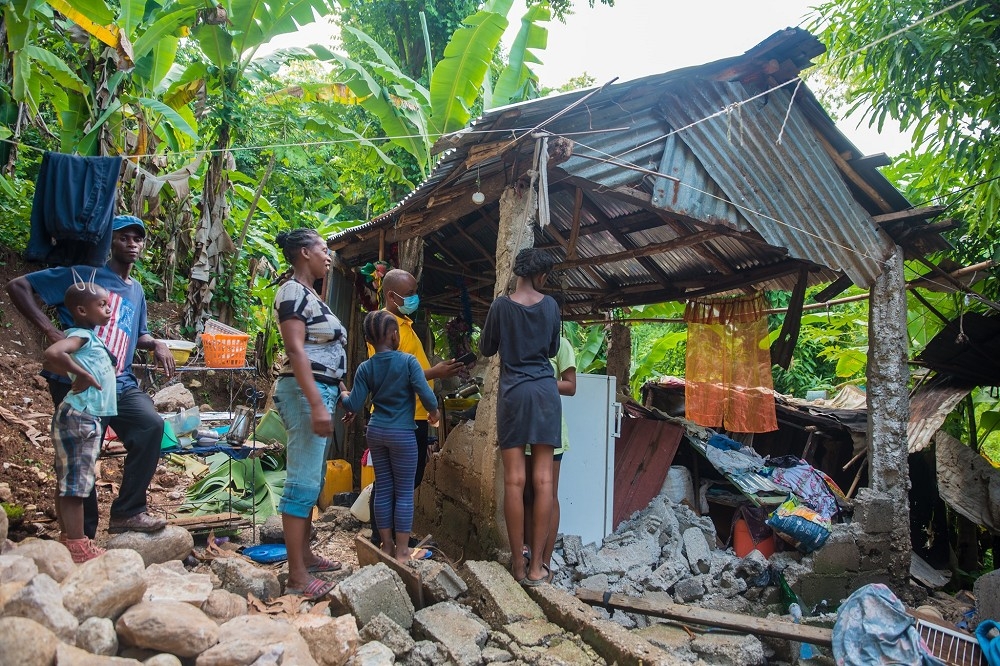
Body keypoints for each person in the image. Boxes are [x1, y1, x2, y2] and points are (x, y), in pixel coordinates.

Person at [7, 215, 174, 535]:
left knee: (150, 426)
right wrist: (53, 333)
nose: (132, 243)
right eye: (123, 237)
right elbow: (19, 286)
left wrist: (157, 342)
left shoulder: (136, 290)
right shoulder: (86, 275)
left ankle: (128, 511)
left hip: (118, 380)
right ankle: (81, 534)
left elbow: (136, 333)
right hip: (76, 380)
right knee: (84, 451)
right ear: (109, 242)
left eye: (137, 239)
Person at [480, 248, 561, 587]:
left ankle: (517, 563)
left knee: (515, 481)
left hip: (513, 395)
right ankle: (538, 567)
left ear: (517, 272)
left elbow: (486, 347)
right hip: (544, 393)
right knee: (543, 481)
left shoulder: (500, 306)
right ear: (541, 276)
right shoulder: (551, 306)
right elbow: (553, 349)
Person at [272, 228, 346, 600]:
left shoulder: (312, 296)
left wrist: (339, 391)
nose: (327, 255)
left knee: (312, 479)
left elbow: (324, 352)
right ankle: (297, 576)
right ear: (304, 252)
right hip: (304, 393)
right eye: (323, 248)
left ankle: (305, 557)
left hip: (319, 391)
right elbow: (296, 350)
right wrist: (317, 401)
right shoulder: (291, 292)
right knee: (301, 481)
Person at [366, 268, 463, 547]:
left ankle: (395, 535)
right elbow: (391, 373)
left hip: (416, 414)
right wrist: (435, 373)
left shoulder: (402, 324)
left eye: (414, 293)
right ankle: (383, 537)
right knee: (393, 481)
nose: (414, 298)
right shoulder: (382, 327)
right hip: (400, 416)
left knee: (408, 478)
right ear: (391, 296)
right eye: (409, 294)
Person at [342, 310, 440, 563]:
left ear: (369, 339)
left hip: (376, 432)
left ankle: (385, 546)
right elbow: (426, 395)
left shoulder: (366, 367)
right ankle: (403, 550)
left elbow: (353, 402)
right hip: (403, 434)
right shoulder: (408, 362)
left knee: (384, 488)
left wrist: (342, 391)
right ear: (395, 335)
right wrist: (433, 412)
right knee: (404, 492)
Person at [44, 278, 117, 562]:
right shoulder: (81, 336)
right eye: (102, 305)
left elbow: (50, 363)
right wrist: (83, 375)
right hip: (82, 417)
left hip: (79, 414)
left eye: (108, 304)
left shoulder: (88, 337)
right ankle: (77, 544)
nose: (108, 309)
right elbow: (52, 354)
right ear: (82, 310)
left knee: (67, 481)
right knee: (75, 485)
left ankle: (68, 539)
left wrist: (74, 372)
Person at [523, 333, 576, 582]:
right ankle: (527, 553)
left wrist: (540, 384)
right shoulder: (523, 341)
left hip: (550, 429)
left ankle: (544, 558)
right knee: (528, 495)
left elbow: (571, 386)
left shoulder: (561, 344)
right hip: (523, 428)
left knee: (548, 495)